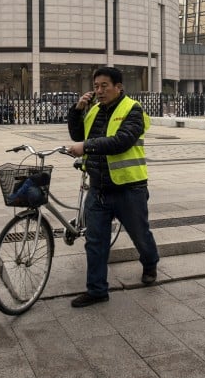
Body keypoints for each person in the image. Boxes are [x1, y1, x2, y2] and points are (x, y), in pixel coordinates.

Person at [67, 66, 160, 308]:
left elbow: (122, 141)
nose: (99, 91)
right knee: (95, 241)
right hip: (98, 188)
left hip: (129, 188)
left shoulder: (133, 109)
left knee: (140, 235)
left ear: (119, 87)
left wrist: (86, 146)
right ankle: (97, 290)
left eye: (104, 86)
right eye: (96, 86)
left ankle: (150, 263)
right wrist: (77, 111)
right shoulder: (94, 109)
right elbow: (78, 134)